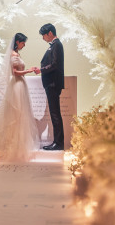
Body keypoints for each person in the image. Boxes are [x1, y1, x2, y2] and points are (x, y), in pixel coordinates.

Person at [0, 33, 40, 162]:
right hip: (17, 84)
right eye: (23, 42)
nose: (24, 45)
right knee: (17, 114)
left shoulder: (16, 54)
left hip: (21, 84)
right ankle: (15, 146)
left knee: (21, 115)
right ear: (18, 42)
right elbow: (15, 72)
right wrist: (29, 71)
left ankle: (20, 145)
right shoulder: (13, 55)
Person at [37, 23, 64, 151]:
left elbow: (54, 65)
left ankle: (58, 143)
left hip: (53, 83)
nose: (43, 38)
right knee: (54, 114)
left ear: (50, 33)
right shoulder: (54, 45)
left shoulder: (57, 45)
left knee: (55, 114)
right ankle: (57, 142)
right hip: (51, 84)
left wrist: (41, 70)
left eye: (43, 35)